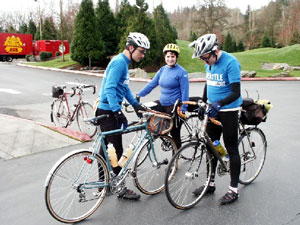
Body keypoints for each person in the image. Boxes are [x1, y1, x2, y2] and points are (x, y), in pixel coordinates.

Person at [189, 34, 242, 205]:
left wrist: (219, 104)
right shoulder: (209, 64)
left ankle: (233, 190)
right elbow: (209, 84)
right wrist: (204, 104)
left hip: (229, 109)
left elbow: (236, 93)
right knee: (210, 146)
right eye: (202, 59)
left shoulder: (230, 63)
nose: (205, 62)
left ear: (215, 51)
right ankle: (210, 184)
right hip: (213, 108)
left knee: (231, 147)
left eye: (205, 58)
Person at [95, 32, 149, 200]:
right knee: (115, 150)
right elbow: (110, 89)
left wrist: (135, 105)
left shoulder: (124, 64)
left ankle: (102, 186)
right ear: (131, 48)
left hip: (107, 110)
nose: (143, 54)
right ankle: (120, 188)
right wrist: (118, 112)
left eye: (145, 52)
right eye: (141, 51)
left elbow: (124, 89)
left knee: (105, 150)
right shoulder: (119, 63)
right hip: (108, 111)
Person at [136, 43, 189, 149]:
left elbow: (185, 91)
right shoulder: (162, 70)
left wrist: (183, 108)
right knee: (145, 109)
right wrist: (139, 94)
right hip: (162, 102)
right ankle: (161, 134)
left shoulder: (182, 72)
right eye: (168, 56)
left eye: (172, 56)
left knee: (175, 133)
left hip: (174, 106)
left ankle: (176, 159)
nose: (170, 59)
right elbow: (152, 84)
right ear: (165, 57)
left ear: (176, 57)